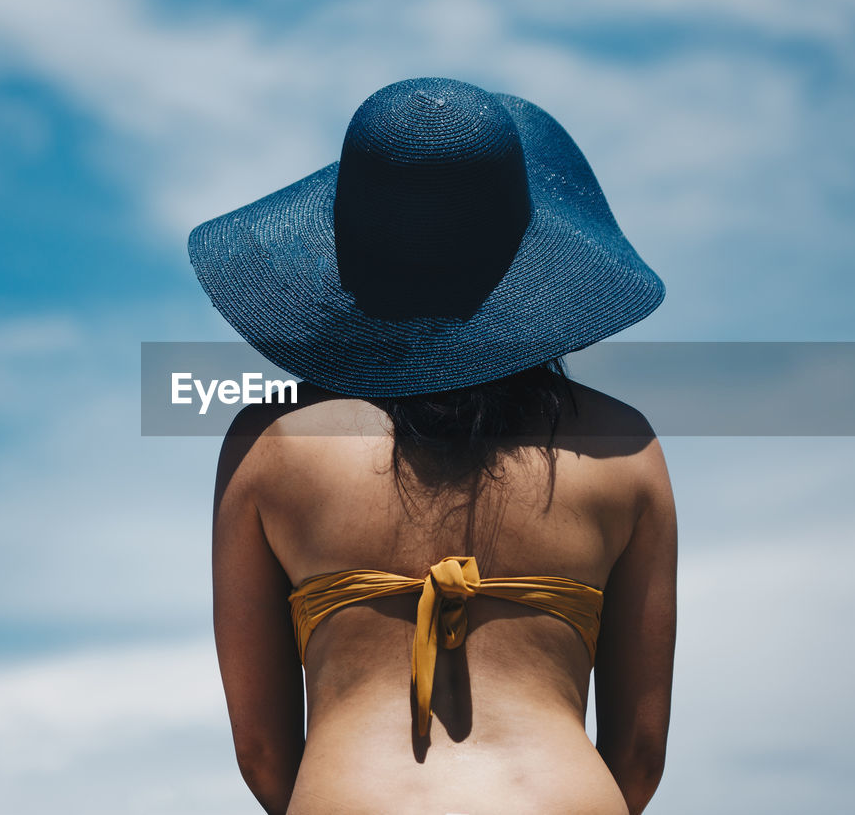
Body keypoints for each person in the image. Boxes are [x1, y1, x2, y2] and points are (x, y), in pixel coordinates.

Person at [189, 77, 677, 814]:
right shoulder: (622, 449)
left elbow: (261, 748)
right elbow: (638, 754)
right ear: (531, 264)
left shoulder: (273, 446)